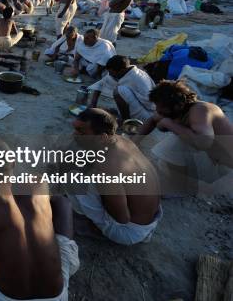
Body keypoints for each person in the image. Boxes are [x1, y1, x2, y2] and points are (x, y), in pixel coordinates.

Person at [0, 137, 80, 300]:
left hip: (4, 297)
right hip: (56, 296)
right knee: (62, 202)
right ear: (14, 162)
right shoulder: (39, 182)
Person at [69, 108, 162, 245]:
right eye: (75, 129)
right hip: (151, 219)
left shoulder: (105, 167)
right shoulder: (122, 140)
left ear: (102, 137)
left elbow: (121, 218)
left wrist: (103, 191)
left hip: (129, 231)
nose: (74, 134)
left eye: (81, 132)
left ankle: (92, 226)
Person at [135, 80, 233, 194]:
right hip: (210, 162)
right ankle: (182, 183)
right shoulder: (177, 110)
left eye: (160, 107)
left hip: (225, 169)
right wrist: (133, 144)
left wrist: (169, 124)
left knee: (176, 142)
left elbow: (204, 142)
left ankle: (180, 187)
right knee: (163, 162)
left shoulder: (200, 110)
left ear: (178, 105)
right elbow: (152, 120)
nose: (158, 110)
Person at [88, 55, 155, 122]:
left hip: (148, 115)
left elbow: (151, 105)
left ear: (122, 70)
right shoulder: (123, 72)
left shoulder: (138, 78)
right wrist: (93, 105)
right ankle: (123, 116)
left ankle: (125, 121)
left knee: (119, 91)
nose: (110, 75)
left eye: (112, 73)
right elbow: (101, 83)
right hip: (140, 108)